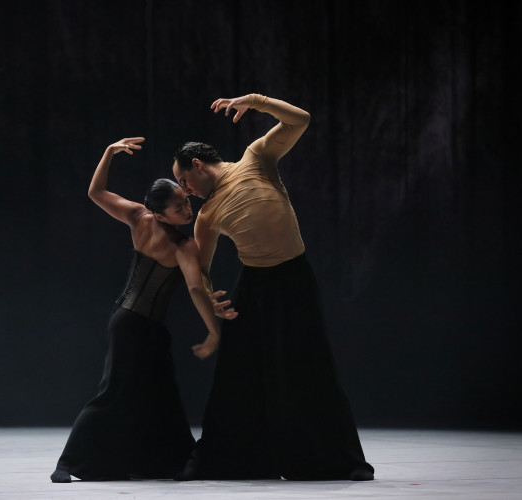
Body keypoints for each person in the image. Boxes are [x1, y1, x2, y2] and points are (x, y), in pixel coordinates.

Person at [171, 94, 375, 481]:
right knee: (239, 372)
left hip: (293, 278)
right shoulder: (208, 215)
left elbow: (301, 119)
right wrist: (213, 300)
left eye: (184, 179)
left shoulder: (255, 159)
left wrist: (256, 101)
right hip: (255, 286)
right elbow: (200, 268)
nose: (187, 190)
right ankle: (227, 460)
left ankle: (340, 461)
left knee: (308, 366)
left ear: (197, 164)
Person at [50, 137, 222, 483]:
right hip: (135, 326)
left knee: (160, 397)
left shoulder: (138, 217)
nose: (187, 209)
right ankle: (67, 463)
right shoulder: (182, 244)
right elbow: (193, 286)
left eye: (184, 201)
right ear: (159, 214)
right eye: (178, 208)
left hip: (135, 324)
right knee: (114, 393)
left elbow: (96, 192)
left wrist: (108, 152)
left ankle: (177, 462)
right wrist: (214, 331)